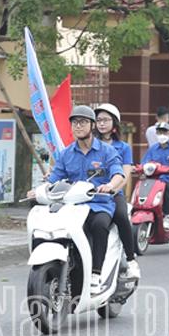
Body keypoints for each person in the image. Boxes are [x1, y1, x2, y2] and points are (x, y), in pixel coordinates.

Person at [33, 105, 125, 293]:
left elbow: (118, 173)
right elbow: (54, 177)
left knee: (99, 225)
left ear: (92, 125)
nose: (78, 126)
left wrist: (110, 185)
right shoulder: (66, 153)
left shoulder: (107, 151)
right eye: (74, 122)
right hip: (72, 206)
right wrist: (37, 190)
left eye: (83, 122)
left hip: (99, 204)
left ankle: (96, 274)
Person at [94, 103, 139, 280]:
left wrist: (112, 189)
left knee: (121, 216)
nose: (101, 123)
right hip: (90, 194)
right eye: (98, 120)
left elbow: (125, 174)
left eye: (106, 120)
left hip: (113, 194)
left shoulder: (123, 147)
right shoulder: (90, 145)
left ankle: (131, 259)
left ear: (114, 123)